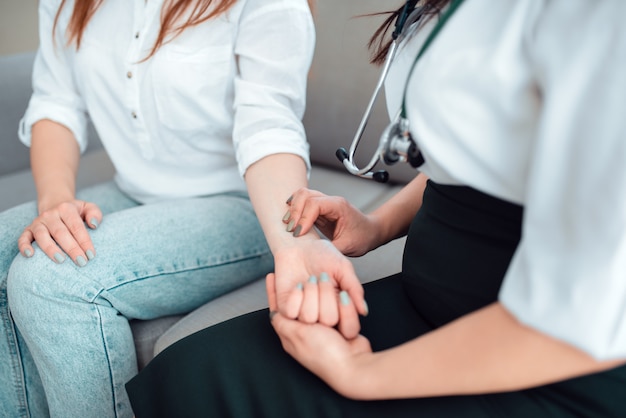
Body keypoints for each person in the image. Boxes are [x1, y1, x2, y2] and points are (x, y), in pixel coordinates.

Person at [126, 0, 626, 417]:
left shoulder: (597, 20)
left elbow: (584, 314)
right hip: (427, 306)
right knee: (198, 369)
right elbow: (481, 156)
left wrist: (359, 374)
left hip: (541, 358)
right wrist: (375, 225)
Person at [0, 0, 323, 416]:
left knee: (52, 277)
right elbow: (56, 102)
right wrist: (56, 202)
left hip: (246, 203)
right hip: (133, 192)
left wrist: (295, 247)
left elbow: (268, 128)